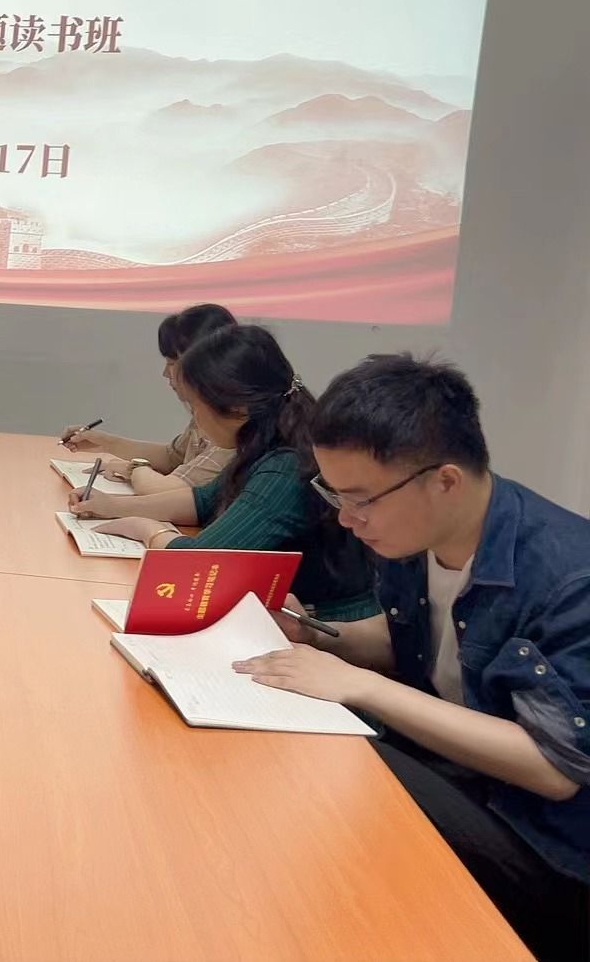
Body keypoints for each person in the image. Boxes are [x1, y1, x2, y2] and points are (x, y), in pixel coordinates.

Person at [235, 356, 590, 962]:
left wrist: (359, 685)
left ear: (444, 480)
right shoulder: (415, 534)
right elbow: (411, 638)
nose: (345, 518)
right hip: (463, 778)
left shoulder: (568, 578)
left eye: (361, 499)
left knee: (343, 765)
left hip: (544, 847)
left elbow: (556, 768)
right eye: (334, 494)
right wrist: (317, 637)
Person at [68, 323, 375, 622]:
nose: (195, 419)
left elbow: (196, 564)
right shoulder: (267, 440)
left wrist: (147, 529)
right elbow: (202, 501)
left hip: (321, 626)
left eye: (195, 407)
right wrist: (112, 506)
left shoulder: (285, 468)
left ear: (238, 409)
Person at [60, 303, 237, 493]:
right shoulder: (205, 410)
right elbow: (172, 458)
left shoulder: (229, 425)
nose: (165, 373)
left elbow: (168, 491)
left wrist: (133, 469)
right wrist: (103, 441)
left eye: (172, 363)